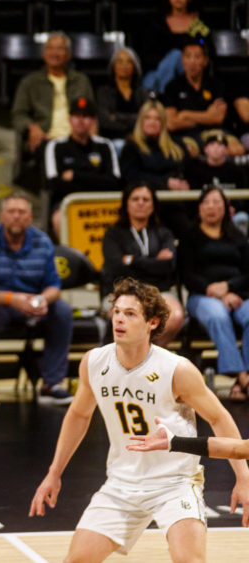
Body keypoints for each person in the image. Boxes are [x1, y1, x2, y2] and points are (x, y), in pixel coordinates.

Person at [29, 277, 249, 559]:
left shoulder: (176, 369)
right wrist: (54, 473)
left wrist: (243, 477)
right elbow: (79, 415)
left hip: (175, 482)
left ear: (152, 323)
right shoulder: (94, 362)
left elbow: (219, 418)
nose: (119, 320)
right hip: (122, 483)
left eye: (130, 314)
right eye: (117, 312)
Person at [0, 192, 74, 407]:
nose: (16, 216)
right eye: (11, 211)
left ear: (29, 217)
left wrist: (42, 300)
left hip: (34, 304)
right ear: (2, 216)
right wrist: (11, 298)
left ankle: (51, 385)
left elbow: (54, 286)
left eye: (21, 212)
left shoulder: (43, 242)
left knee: (62, 310)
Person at [179, 186, 249, 400]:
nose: (211, 207)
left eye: (216, 202)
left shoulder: (237, 236)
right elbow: (185, 274)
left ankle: (243, 379)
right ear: (199, 208)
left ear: (226, 208)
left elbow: (247, 273)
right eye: (206, 202)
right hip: (201, 296)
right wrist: (213, 290)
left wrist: (228, 288)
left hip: (237, 295)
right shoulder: (189, 237)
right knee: (217, 314)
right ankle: (241, 375)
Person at [101, 183, 184, 344]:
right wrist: (153, 262)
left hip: (160, 291)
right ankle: (139, 362)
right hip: (120, 293)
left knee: (175, 317)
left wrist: (131, 260)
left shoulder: (163, 233)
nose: (141, 203)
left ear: (153, 206)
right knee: (129, 320)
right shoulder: (113, 234)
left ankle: (145, 360)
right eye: (135, 199)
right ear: (126, 204)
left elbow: (168, 266)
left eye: (146, 199)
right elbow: (115, 267)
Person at [10, 33, 95, 190]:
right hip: (46, 139)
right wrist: (31, 126)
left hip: (78, 137)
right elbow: (18, 115)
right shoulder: (30, 82)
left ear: (68, 54)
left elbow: (92, 113)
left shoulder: (81, 80)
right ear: (43, 53)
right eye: (50, 48)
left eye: (60, 49)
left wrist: (93, 134)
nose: (55, 53)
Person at [44, 97, 121, 234]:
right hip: (67, 205)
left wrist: (76, 176)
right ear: (69, 119)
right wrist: (97, 178)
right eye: (76, 116)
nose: (80, 120)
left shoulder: (105, 146)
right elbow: (54, 185)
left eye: (86, 116)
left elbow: (114, 183)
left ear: (93, 121)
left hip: (102, 206)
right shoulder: (56, 146)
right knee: (58, 219)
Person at [162, 38, 231, 157]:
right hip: (184, 135)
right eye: (188, 57)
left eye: (197, 57)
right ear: (182, 60)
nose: (192, 62)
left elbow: (218, 118)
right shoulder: (172, 87)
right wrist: (207, 116)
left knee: (236, 148)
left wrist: (185, 115)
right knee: (188, 151)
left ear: (205, 61)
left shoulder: (216, 85)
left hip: (214, 132)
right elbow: (171, 123)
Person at [141, 0, 210, 94]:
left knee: (178, 55)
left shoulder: (197, 22)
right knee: (173, 57)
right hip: (159, 72)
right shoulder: (157, 22)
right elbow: (148, 54)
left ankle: (167, 99)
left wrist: (195, 45)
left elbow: (204, 43)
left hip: (190, 71)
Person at [119, 99, 189, 190]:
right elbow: (132, 177)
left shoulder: (177, 145)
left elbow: (189, 170)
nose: (152, 122)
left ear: (163, 122)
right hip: (144, 196)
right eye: (148, 118)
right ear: (141, 121)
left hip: (178, 197)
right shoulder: (131, 147)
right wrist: (165, 182)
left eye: (157, 119)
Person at [96, 47, 149, 148]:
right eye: (119, 62)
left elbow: (146, 120)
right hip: (112, 140)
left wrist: (116, 117)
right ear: (113, 66)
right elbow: (105, 121)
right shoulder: (103, 92)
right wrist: (135, 118)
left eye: (129, 62)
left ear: (135, 67)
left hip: (139, 140)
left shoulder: (142, 92)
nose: (124, 66)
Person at [184, 130, 249, 193]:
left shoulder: (237, 171)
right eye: (212, 144)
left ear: (226, 150)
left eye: (220, 145)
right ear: (205, 149)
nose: (216, 148)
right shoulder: (195, 171)